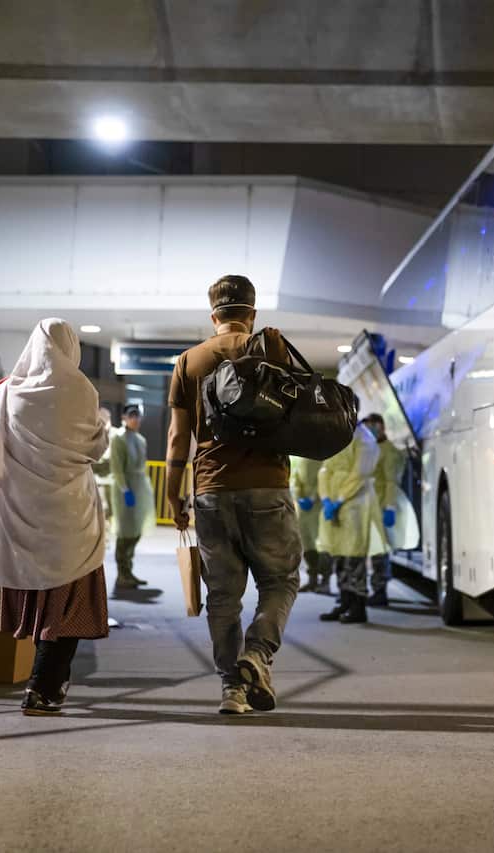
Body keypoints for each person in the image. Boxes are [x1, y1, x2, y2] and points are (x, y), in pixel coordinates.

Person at [166, 274, 301, 715]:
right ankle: (257, 656)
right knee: (279, 580)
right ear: (252, 314)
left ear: (213, 315)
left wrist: (173, 496)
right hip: (267, 486)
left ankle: (232, 690)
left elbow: (176, 439)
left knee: (223, 596)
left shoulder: (188, 361)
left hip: (210, 490)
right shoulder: (271, 350)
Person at [0, 319, 111, 716]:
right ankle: (44, 686)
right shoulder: (81, 389)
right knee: (68, 605)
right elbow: (94, 448)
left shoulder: (8, 392)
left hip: (22, 514)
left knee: (42, 600)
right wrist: (102, 428)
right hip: (70, 516)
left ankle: (43, 683)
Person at [316, 415, 379, 625]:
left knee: (354, 555)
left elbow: (359, 474)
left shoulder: (365, 439)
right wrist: (326, 498)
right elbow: (325, 469)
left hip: (355, 502)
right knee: (339, 555)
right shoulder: (338, 435)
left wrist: (340, 498)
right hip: (335, 502)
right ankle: (344, 600)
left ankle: (358, 605)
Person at [109, 404, 155, 592]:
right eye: (132, 416)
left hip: (139, 486)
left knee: (136, 530)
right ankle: (122, 573)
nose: (135, 419)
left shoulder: (140, 440)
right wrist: (124, 489)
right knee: (125, 531)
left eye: (137, 416)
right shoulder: (118, 438)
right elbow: (117, 466)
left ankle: (128, 571)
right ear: (124, 418)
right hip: (125, 487)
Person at [363, 414, 406, 608]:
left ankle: (380, 591)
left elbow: (391, 482)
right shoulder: (372, 448)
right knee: (370, 550)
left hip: (381, 505)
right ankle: (369, 589)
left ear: (381, 426)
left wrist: (389, 507)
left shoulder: (389, 452)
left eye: (371, 426)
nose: (369, 431)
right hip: (369, 505)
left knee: (379, 552)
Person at [290, 456, 328, 594]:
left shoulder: (323, 454)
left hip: (320, 503)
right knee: (306, 542)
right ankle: (313, 579)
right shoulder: (298, 456)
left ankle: (325, 580)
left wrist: (313, 496)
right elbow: (294, 477)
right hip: (302, 507)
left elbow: (325, 477)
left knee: (322, 543)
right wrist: (298, 496)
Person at [91, 406, 114, 527]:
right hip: (98, 481)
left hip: (111, 481)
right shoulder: (92, 435)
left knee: (109, 512)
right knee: (102, 511)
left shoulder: (114, 435)